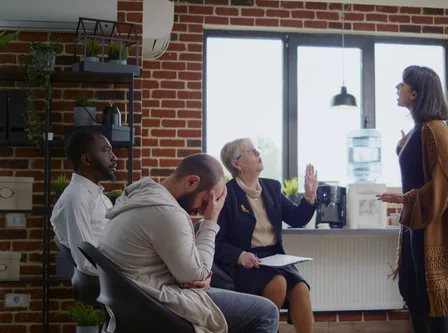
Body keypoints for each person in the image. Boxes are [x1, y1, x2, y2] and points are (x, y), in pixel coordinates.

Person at [98, 153, 279, 333]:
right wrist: (210, 220)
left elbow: (191, 270)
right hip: (154, 304)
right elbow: (198, 276)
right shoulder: (167, 213)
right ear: (191, 182)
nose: (204, 208)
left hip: (135, 300)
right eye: (207, 200)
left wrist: (197, 273)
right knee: (267, 312)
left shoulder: (142, 198)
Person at [376, 65, 448, 333]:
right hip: (416, 226)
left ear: (415, 93)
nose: (398, 88)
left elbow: (443, 185)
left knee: (430, 296)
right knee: (412, 291)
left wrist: (405, 199)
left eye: (403, 84)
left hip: (430, 228)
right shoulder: (418, 129)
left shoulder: (435, 129)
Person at [216, 138, 318, 333]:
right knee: (278, 283)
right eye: (251, 151)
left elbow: (296, 219)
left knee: (300, 288)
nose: (258, 154)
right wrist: (240, 256)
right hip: (247, 261)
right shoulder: (227, 194)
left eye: (257, 150)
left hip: (275, 258)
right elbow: (217, 243)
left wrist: (309, 197)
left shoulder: (272, 187)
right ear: (236, 164)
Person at [50, 131, 117, 276]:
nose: (114, 158)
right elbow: (87, 262)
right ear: (87, 160)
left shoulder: (99, 197)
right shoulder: (76, 199)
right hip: (113, 282)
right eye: (107, 151)